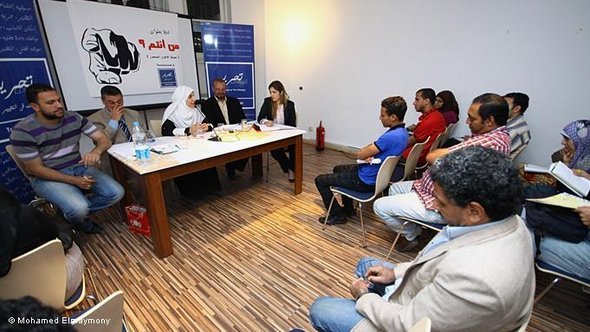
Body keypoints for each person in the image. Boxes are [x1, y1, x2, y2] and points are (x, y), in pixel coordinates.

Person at [309, 146, 534, 332]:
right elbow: (436, 259)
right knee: (367, 264)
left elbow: (409, 324)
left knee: (321, 308)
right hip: (430, 295)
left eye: (441, 202)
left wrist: (364, 298)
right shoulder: (513, 222)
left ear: (474, 211)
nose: (434, 205)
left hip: (409, 321)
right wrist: (396, 273)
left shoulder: (476, 278)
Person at [373, 93, 511, 252]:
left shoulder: (489, 143)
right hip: (431, 188)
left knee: (379, 206)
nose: (467, 122)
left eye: (472, 119)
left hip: (442, 202)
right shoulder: (498, 136)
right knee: (394, 188)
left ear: (489, 121)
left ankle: (412, 235)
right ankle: (412, 221)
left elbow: (432, 157)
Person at [9, 84, 124, 233]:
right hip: (46, 176)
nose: (58, 105)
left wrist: (96, 151)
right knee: (79, 208)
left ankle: (67, 214)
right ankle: (78, 218)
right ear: (35, 106)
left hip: (78, 167)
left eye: (58, 100)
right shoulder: (23, 131)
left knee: (116, 193)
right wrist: (75, 181)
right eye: (50, 103)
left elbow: (104, 140)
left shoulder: (73, 118)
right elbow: (35, 169)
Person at [314, 96, 408, 225]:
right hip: (376, 175)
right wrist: (371, 154)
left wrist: (366, 152)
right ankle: (348, 209)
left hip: (365, 180)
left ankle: (337, 215)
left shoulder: (390, 136)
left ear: (393, 117)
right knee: (338, 169)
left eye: (382, 115)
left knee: (320, 180)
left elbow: (360, 154)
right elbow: (374, 151)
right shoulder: (403, 133)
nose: (380, 118)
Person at [523, 119, 590, 280]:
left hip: (583, 236)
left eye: (567, 139)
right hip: (578, 225)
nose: (562, 142)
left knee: (522, 227)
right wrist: (566, 166)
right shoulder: (583, 163)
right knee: (532, 203)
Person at [0, 188, 84, 301]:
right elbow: (54, 234)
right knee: (69, 242)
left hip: (10, 307)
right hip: (59, 290)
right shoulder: (25, 214)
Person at [161, 86, 221, 197]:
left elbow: (211, 124)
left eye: (193, 96)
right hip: (181, 150)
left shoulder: (195, 111)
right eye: (190, 97)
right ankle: (191, 193)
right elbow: (166, 132)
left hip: (198, 145)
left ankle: (210, 189)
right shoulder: (173, 112)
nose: (194, 99)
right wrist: (188, 130)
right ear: (182, 98)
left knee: (205, 155)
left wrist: (207, 127)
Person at [88, 85, 146, 173]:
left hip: (138, 155)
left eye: (120, 102)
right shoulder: (94, 119)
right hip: (114, 160)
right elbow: (101, 142)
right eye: (111, 103)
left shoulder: (133, 114)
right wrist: (114, 121)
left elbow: (144, 134)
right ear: (103, 101)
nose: (116, 105)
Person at [202, 78, 248, 179]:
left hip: (236, 131)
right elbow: (209, 123)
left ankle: (235, 165)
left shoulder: (234, 101)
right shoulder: (207, 104)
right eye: (218, 89)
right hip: (220, 134)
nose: (220, 91)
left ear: (226, 88)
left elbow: (242, 117)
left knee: (249, 145)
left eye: (222, 89)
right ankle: (230, 168)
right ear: (213, 89)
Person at [257, 80, 297, 181]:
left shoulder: (290, 105)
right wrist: (265, 121)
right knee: (274, 150)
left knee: (294, 147)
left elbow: (292, 124)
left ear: (281, 92)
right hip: (273, 135)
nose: (271, 95)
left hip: (287, 133)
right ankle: (290, 169)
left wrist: (287, 135)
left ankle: (292, 170)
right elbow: (260, 117)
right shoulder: (267, 102)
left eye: (274, 92)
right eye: (270, 92)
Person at [402, 88, 446, 166]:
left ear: (426, 101)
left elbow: (407, 143)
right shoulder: (437, 116)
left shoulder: (429, 120)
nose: (414, 103)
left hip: (413, 158)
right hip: (422, 155)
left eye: (417, 99)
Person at [504, 92, 531, 160]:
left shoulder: (517, 130)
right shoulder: (505, 122)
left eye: (505, 105)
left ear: (516, 109)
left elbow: (491, 155)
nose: (500, 107)